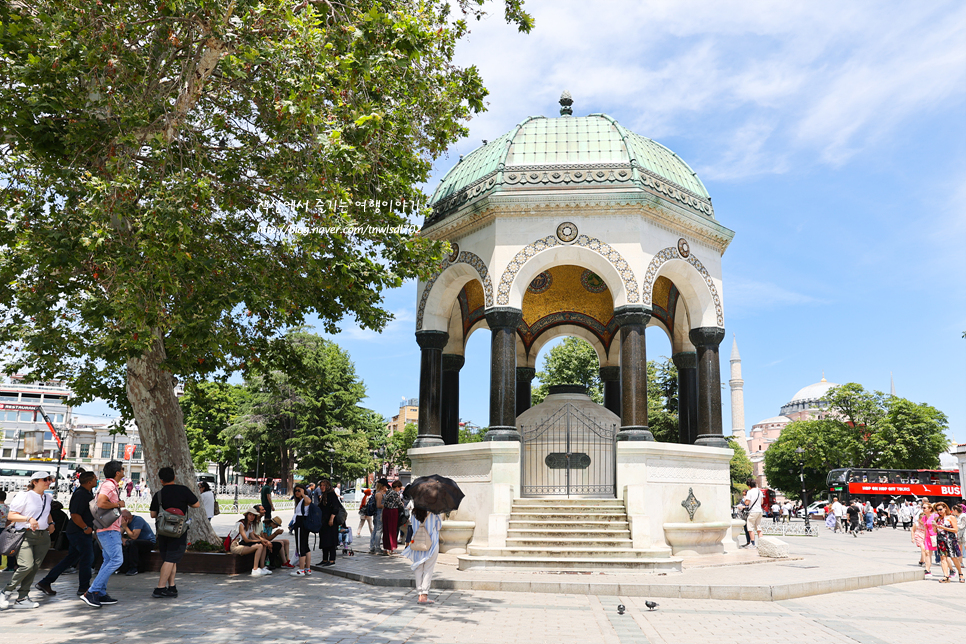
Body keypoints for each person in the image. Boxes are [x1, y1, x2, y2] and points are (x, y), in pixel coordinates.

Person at [35, 471, 97, 599]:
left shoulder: (87, 493)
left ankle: (46, 582)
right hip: (78, 532)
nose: (97, 480)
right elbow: (75, 514)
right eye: (95, 479)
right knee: (87, 558)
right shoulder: (81, 494)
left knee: (70, 559)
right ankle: (84, 587)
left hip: (79, 531)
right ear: (89, 481)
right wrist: (85, 527)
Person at [2, 472, 54, 609]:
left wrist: (51, 523)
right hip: (25, 534)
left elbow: (47, 512)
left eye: (50, 479)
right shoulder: (24, 495)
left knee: (34, 568)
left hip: (43, 536)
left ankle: (22, 598)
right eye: (45, 479)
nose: (49, 482)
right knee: (26, 565)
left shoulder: (48, 497)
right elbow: (12, 515)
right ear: (35, 482)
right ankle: (6, 591)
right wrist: (28, 519)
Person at [149, 467, 201, 598]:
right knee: (171, 559)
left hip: (163, 531)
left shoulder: (159, 494)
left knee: (170, 558)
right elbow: (196, 504)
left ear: (161, 480)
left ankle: (171, 586)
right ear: (174, 477)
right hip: (178, 530)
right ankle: (160, 588)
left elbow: (153, 514)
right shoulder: (183, 490)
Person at [82, 461, 125, 609]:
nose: (124, 471)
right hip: (109, 529)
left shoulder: (109, 484)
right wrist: (118, 504)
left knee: (108, 560)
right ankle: (92, 591)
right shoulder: (109, 485)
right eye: (122, 469)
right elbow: (101, 503)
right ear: (117, 472)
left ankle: (100, 592)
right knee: (117, 560)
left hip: (108, 529)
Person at [403, 507, 442, 604]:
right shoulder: (434, 513)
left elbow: (412, 526)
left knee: (418, 567)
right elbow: (438, 527)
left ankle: (420, 594)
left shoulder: (414, 512)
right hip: (431, 543)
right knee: (428, 568)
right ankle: (424, 594)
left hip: (416, 541)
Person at [228, 507, 270, 577]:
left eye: (253, 515)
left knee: (263, 544)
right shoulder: (241, 524)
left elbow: (253, 537)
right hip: (236, 546)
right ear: (246, 515)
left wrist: (262, 541)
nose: (252, 517)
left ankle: (262, 567)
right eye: (250, 515)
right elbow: (246, 540)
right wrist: (260, 540)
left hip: (243, 545)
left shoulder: (249, 525)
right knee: (259, 546)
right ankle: (255, 569)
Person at [119, 510, 156, 576]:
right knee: (125, 544)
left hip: (148, 542)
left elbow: (134, 536)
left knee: (133, 543)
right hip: (136, 542)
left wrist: (125, 527)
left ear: (125, 518)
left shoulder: (138, 520)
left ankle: (133, 569)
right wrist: (122, 539)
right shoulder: (124, 523)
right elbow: (118, 534)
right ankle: (124, 568)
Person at [317, 479, 344, 566]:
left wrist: (331, 518)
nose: (322, 487)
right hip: (324, 522)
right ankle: (325, 559)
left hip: (331, 522)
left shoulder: (331, 494)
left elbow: (335, 507)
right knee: (324, 540)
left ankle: (332, 559)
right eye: (321, 485)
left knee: (331, 541)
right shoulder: (323, 495)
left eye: (324, 485)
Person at [934, 502, 962, 583]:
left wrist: (943, 527)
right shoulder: (937, 519)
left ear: (945, 508)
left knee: (953, 558)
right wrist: (934, 527)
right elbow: (935, 531)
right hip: (940, 540)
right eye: (937, 510)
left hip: (950, 540)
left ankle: (960, 573)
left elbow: (955, 530)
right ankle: (946, 576)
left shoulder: (951, 517)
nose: (939, 511)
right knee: (943, 558)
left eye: (940, 509)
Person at [290, 485, 312, 577]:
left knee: (301, 547)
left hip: (300, 524)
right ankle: (307, 568)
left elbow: (309, 501)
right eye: (295, 491)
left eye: (299, 490)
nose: (297, 492)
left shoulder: (304, 499)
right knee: (305, 546)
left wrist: (303, 493)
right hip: (302, 523)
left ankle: (301, 570)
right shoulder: (300, 501)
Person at [382, 481, 405, 554]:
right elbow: (400, 504)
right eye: (400, 488)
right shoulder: (395, 493)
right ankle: (391, 548)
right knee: (392, 529)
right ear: (397, 487)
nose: (400, 489)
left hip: (385, 511)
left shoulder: (388, 491)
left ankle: (386, 548)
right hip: (393, 512)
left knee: (386, 529)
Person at [742, 479, 763, 548]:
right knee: (759, 527)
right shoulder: (760, 492)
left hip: (753, 511)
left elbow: (747, 503)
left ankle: (753, 544)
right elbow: (762, 502)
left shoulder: (750, 492)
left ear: (749, 486)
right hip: (759, 511)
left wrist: (745, 498)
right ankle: (761, 543)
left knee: (750, 528)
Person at [369, 480, 388, 555]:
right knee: (379, 530)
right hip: (380, 513)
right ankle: (377, 547)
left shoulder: (377, 493)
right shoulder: (379, 494)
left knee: (376, 530)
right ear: (382, 486)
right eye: (385, 486)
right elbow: (379, 505)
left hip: (377, 514)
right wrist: (386, 506)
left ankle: (372, 547)